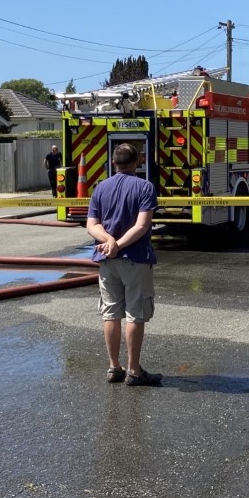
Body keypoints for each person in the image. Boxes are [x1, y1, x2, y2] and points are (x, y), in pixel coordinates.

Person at [86, 143, 161, 387]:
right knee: (135, 315)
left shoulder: (101, 188)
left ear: (113, 162)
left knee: (110, 314)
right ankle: (133, 371)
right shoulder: (145, 187)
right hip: (136, 259)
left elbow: (91, 224)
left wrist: (108, 241)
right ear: (138, 161)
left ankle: (113, 367)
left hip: (107, 261)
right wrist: (116, 243)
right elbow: (142, 225)